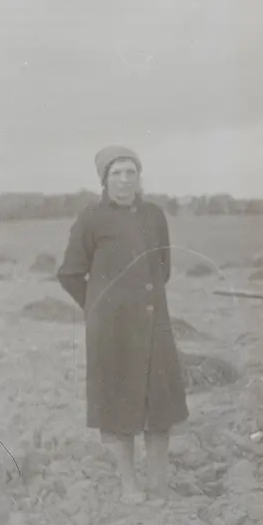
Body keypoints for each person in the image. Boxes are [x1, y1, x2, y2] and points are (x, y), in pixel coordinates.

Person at [57, 146, 188, 503]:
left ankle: (159, 484)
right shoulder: (91, 219)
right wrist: (100, 307)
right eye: (117, 173)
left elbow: (163, 268)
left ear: (139, 177)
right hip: (111, 330)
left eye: (131, 172)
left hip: (153, 324)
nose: (125, 180)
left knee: (159, 405)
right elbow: (69, 273)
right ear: (104, 180)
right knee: (117, 406)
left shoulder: (154, 215)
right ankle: (129, 485)